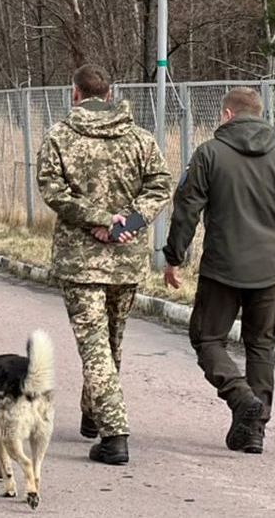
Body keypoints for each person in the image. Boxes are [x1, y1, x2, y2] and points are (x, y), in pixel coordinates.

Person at [36, 65, 172, 466]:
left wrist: (98, 220)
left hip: (81, 262)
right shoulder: (139, 138)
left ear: (75, 93)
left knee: (95, 345)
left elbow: (52, 190)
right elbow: (160, 185)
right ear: (109, 94)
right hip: (125, 259)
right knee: (109, 342)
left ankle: (114, 435)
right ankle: (92, 414)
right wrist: (125, 223)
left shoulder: (60, 136)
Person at [163, 87, 275, 455]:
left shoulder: (209, 154)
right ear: (259, 115)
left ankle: (241, 397)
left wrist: (174, 256)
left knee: (208, 339)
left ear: (227, 115)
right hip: (269, 270)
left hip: (222, 269)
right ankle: (254, 429)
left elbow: (186, 209)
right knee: (261, 344)